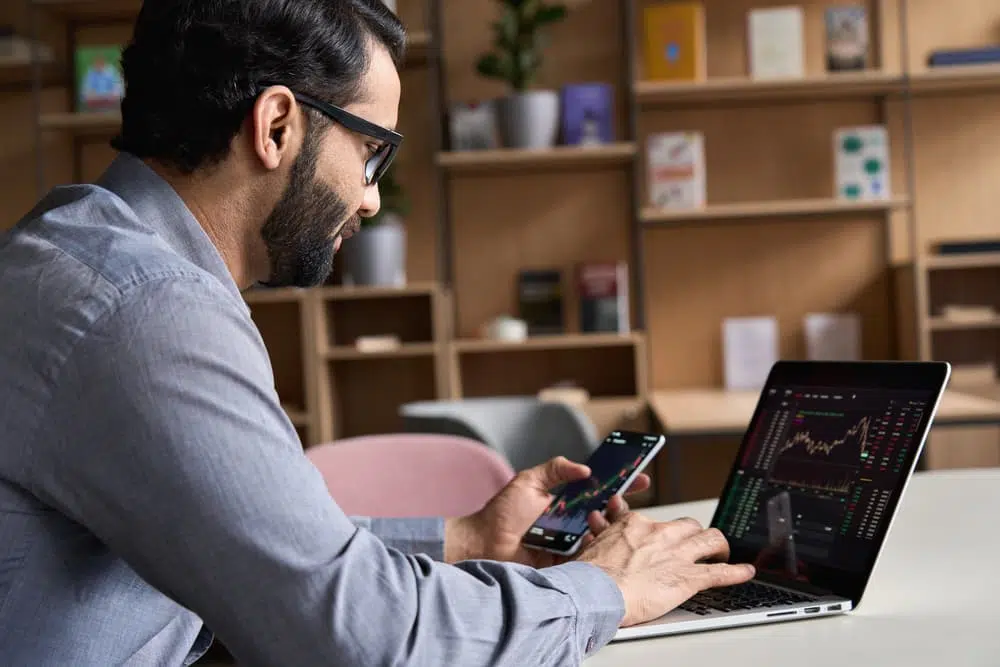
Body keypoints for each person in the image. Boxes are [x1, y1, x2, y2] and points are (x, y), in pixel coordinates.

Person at [0, 1, 755, 665]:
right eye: (369, 152)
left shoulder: (74, 252)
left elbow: (260, 548)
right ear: (276, 125)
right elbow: (368, 640)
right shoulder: (147, 310)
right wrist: (606, 588)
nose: (369, 200)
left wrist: (468, 537)